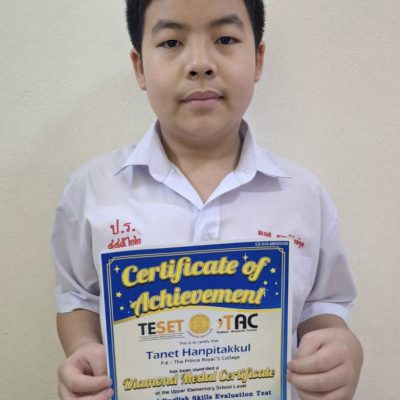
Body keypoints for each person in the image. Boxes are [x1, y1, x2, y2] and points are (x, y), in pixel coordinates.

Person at [51, 1, 363, 399]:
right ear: (139, 67)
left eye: (225, 39)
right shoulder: (91, 189)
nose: (200, 64)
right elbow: (77, 297)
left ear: (258, 60)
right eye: (171, 42)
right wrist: (82, 349)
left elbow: (322, 307)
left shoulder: (303, 195)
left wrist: (343, 351)